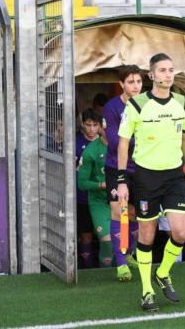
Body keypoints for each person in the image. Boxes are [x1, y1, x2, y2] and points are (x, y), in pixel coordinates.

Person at [117, 53, 185, 312]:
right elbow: (124, 142)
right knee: (147, 236)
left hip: (174, 175)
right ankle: (147, 291)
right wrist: (122, 180)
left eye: (171, 70)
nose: (168, 74)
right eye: (162, 70)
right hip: (146, 176)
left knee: (181, 232)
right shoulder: (136, 105)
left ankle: (162, 273)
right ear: (152, 75)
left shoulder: (183, 103)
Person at [103, 65, 143, 281]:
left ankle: (128, 253)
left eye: (138, 81)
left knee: (137, 214)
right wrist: (142, 140)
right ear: (121, 84)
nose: (135, 86)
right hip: (117, 168)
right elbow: (114, 142)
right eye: (130, 82)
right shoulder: (111, 108)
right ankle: (120, 264)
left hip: (143, 168)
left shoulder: (149, 105)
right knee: (119, 211)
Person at [78, 112, 113, 268]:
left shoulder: (124, 146)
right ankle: (100, 274)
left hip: (121, 199)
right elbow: (82, 183)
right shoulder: (91, 151)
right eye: (88, 125)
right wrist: (102, 185)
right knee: (106, 241)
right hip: (97, 200)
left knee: (124, 241)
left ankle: (124, 269)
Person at [75, 109, 101, 268]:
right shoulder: (75, 143)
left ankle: (109, 268)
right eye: (88, 125)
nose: (91, 129)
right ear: (82, 124)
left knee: (108, 235)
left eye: (95, 125)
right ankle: (88, 270)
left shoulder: (106, 142)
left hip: (103, 199)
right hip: (82, 197)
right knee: (86, 237)